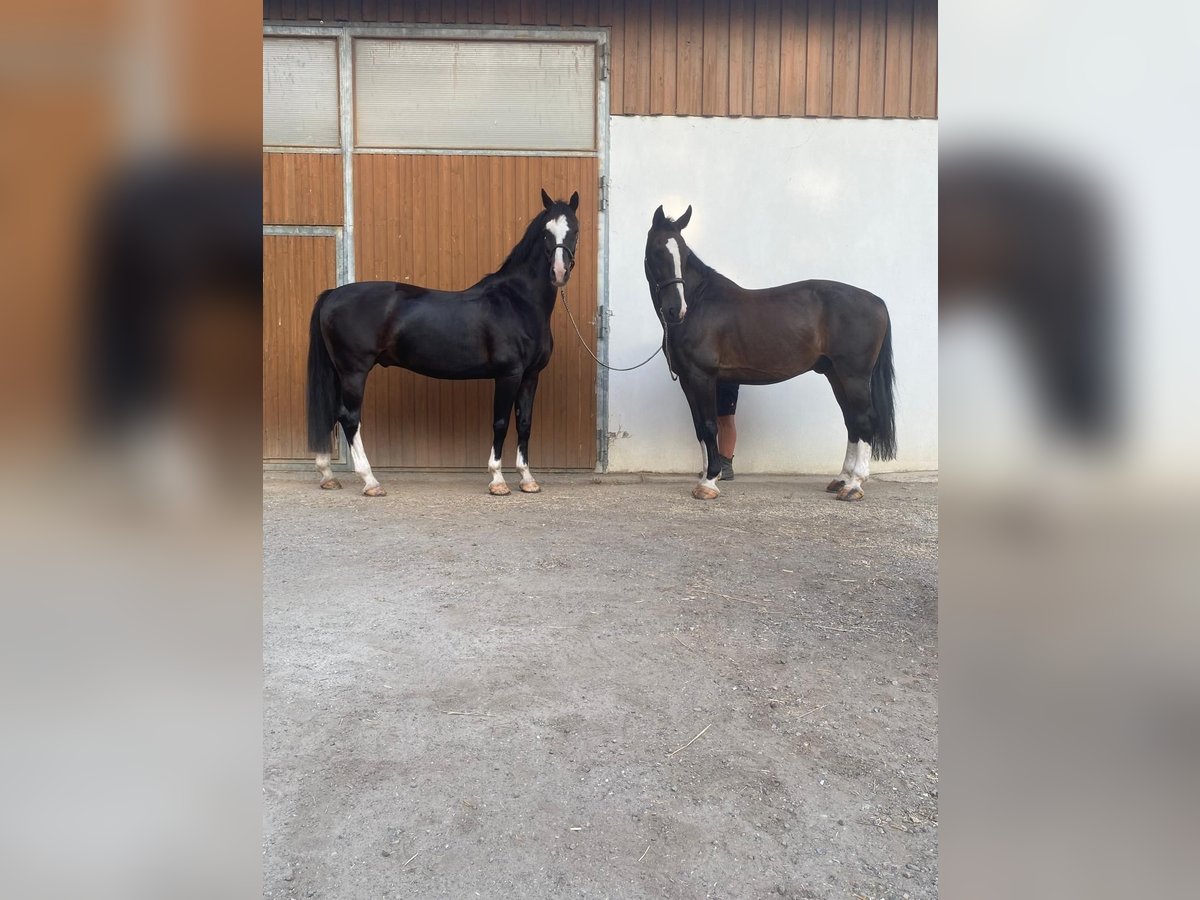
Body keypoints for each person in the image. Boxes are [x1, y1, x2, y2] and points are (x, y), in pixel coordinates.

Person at [715, 381, 739, 480]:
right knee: (720, 421)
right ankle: (720, 465)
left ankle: (727, 468)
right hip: (721, 379)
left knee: (727, 419)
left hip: (729, 380)